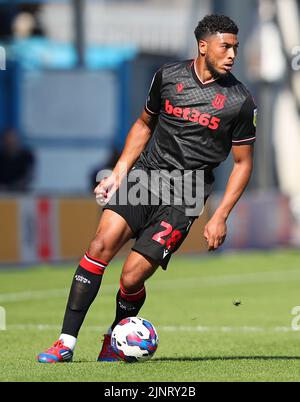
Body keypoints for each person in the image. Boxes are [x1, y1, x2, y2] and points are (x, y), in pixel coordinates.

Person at [37, 15, 257, 363]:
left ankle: (114, 337)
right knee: (98, 247)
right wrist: (119, 173)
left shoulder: (240, 100)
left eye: (235, 48)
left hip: (186, 195)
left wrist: (220, 216)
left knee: (132, 275)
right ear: (203, 46)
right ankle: (65, 342)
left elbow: (243, 164)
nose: (232, 54)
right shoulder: (167, 77)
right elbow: (143, 124)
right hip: (145, 178)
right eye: (225, 46)